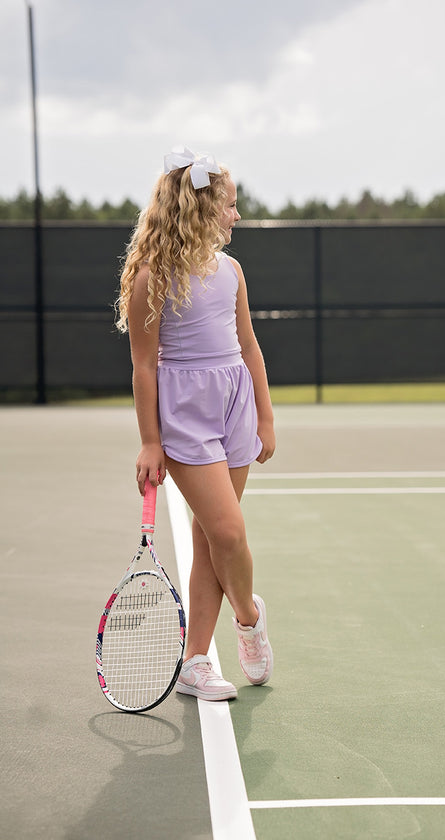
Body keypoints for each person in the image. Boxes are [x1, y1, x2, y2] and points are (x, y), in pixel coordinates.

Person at [116, 145, 275, 701]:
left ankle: (197, 663)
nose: (236, 215)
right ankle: (250, 618)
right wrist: (149, 442)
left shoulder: (232, 271)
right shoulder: (150, 278)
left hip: (235, 409)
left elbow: (250, 349)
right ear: (201, 208)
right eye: (230, 205)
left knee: (213, 540)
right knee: (228, 531)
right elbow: (143, 366)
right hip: (184, 417)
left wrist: (266, 419)